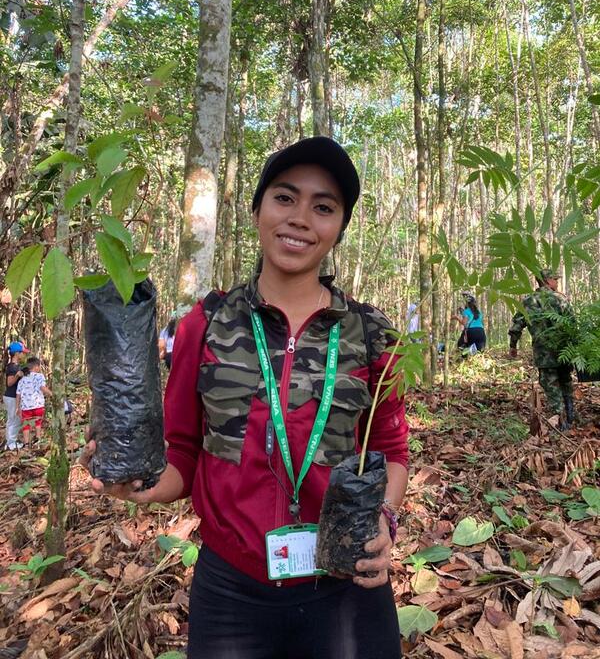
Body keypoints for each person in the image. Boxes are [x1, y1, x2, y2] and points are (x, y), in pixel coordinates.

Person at [81, 136, 409, 659]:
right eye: (285, 197)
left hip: (346, 584)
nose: (300, 218)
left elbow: (390, 450)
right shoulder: (206, 324)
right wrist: (140, 484)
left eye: (323, 207)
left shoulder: (371, 333)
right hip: (232, 589)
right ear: (256, 210)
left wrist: (384, 521)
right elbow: (184, 451)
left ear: (339, 229)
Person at [509, 268, 575, 429]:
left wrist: (513, 346)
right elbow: (573, 325)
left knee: (550, 384)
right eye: (555, 279)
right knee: (566, 381)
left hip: (544, 353)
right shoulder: (561, 300)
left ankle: (562, 421)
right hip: (564, 351)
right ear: (547, 281)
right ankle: (571, 416)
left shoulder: (528, 301)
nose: (557, 282)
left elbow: (517, 326)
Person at [16, 356, 50, 446]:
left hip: (26, 407)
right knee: (38, 422)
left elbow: (18, 394)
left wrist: (17, 407)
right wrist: (52, 394)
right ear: (36, 367)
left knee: (26, 425)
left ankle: (26, 443)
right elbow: (42, 388)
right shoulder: (40, 376)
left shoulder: (22, 379)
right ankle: (38, 439)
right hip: (38, 405)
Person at [4, 341, 28, 450]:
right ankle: (11, 443)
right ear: (17, 354)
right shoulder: (12, 367)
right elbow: (9, 383)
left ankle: (11, 441)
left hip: (14, 397)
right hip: (11, 397)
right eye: (22, 353)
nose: (24, 355)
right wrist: (18, 376)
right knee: (14, 419)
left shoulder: (16, 366)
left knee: (15, 419)